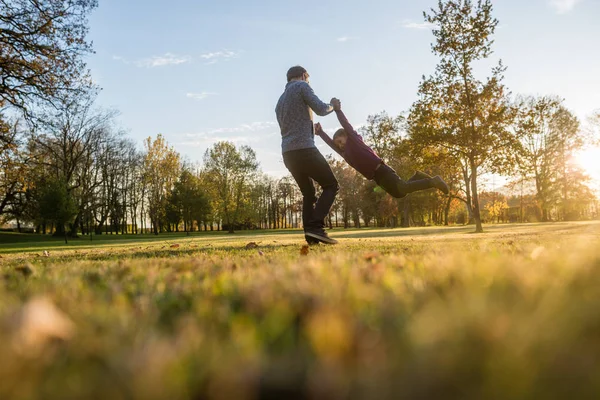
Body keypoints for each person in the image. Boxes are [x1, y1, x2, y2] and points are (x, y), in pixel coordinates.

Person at [315, 99, 449, 199]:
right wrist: (320, 133)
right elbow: (332, 145)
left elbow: (346, 124)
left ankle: (433, 181)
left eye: (340, 141)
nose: (340, 145)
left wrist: (338, 110)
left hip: (382, 170)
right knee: (399, 194)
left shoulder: (354, 140)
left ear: (345, 136)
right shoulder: (345, 153)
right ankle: (418, 176)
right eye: (338, 144)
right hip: (377, 177)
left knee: (402, 188)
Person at [275, 66, 339, 245]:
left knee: (309, 193)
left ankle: (311, 237)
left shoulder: (280, 101)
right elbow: (320, 108)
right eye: (308, 79)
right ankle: (316, 227)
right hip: (305, 149)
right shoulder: (302, 87)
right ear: (303, 76)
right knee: (331, 185)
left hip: (288, 153)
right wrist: (333, 106)